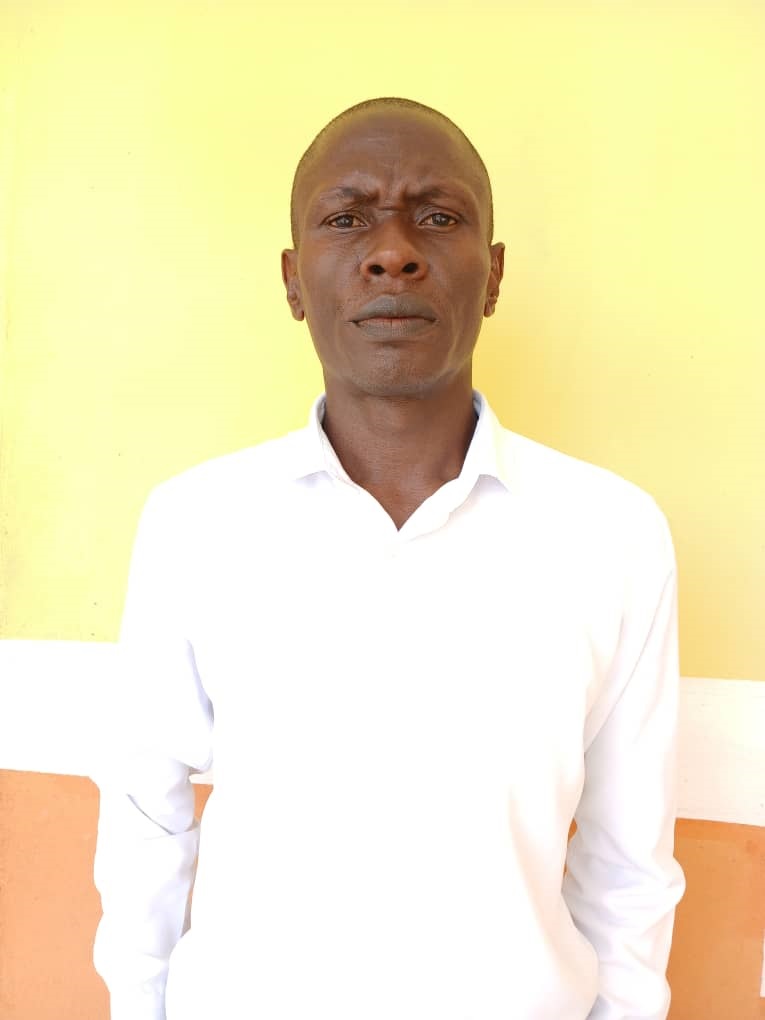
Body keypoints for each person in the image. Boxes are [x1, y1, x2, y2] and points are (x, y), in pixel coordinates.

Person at [92, 96, 686, 1020]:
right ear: (294, 281)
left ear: (492, 275)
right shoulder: (195, 523)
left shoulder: (613, 534)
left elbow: (627, 863)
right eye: (346, 219)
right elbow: (145, 821)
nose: (393, 252)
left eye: (437, 218)